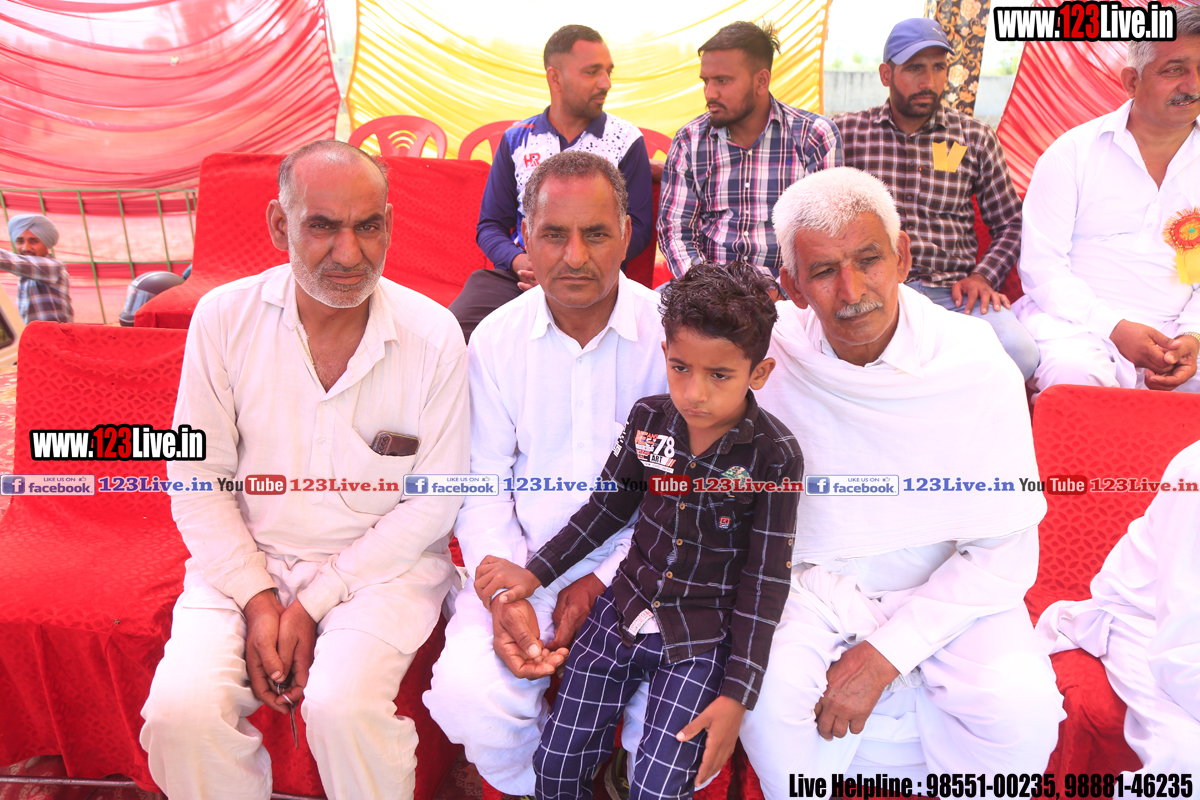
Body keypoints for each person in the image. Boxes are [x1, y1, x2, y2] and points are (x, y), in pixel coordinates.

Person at [140, 140, 468, 800]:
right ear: (278, 224)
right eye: (322, 226)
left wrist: (315, 601)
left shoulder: (433, 334)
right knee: (182, 714)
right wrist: (258, 596)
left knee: (344, 708)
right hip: (247, 556)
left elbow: (434, 503)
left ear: (389, 224)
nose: (349, 253)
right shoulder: (223, 318)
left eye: (368, 226)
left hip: (383, 571)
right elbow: (197, 479)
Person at [741, 167, 1063, 784]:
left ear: (903, 257)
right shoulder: (766, 353)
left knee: (1022, 714)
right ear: (792, 286)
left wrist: (888, 653)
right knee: (768, 701)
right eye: (824, 271)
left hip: (950, 590)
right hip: (811, 588)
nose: (853, 290)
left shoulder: (973, 360)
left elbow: (1004, 551)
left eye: (869, 260)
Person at [475, 262, 801, 800]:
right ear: (665, 353)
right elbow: (607, 509)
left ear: (758, 373)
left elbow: (766, 577)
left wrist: (738, 693)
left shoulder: (774, 455)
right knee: (555, 765)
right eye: (680, 367)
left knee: (660, 786)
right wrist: (535, 574)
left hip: (700, 636)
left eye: (719, 375)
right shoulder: (650, 421)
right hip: (619, 610)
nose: (695, 392)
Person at [425, 150, 667, 798]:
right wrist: (507, 592)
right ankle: (542, 785)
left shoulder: (669, 337)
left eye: (596, 234)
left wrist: (602, 580)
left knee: (669, 719)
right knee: (467, 696)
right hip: (524, 566)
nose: (575, 257)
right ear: (526, 240)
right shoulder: (495, 339)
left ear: (627, 234)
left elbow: (676, 494)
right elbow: (481, 483)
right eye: (555, 234)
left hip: (646, 570)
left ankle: (619, 775)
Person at [833, 18, 1037, 380]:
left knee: (1019, 353)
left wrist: (983, 276)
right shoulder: (847, 134)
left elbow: (1010, 223)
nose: (928, 81)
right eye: (915, 68)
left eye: (938, 68)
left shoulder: (974, 138)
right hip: (875, 292)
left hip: (952, 295)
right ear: (886, 74)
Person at [1015, 5, 1200, 394]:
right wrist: (1114, 328)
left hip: (1180, 333)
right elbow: (1042, 268)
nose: (1193, 84)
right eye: (1174, 70)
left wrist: (1191, 335)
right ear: (1132, 81)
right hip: (1079, 328)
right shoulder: (1072, 154)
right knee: (1076, 373)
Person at [448, 24, 654, 342]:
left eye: (608, 71)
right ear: (555, 78)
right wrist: (523, 261)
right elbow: (490, 225)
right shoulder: (517, 139)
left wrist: (573, 265)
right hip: (521, 276)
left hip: (596, 276)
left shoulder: (625, 139)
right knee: (452, 333)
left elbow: (637, 227)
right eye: (592, 72)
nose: (606, 83)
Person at [1037, 440, 1200, 773]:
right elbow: (1180, 649)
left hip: (1180, 631)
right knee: (1186, 760)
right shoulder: (1195, 472)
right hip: (1149, 625)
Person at [657, 21, 842, 280]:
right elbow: (675, 231)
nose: (709, 93)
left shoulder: (814, 136)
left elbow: (827, 234)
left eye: (722, 81)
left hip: (791, 293)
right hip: (707, 290)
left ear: (761, 81)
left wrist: (784, 291)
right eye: (706, 81)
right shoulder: (690, 140)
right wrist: (706, 289)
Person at [1, 213, 74, 323]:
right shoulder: (25, 275)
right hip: (34, 334)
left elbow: (11, 261)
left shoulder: (54, 267)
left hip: (55, 334)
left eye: (34, 241)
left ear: (46, 243)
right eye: (20, 241)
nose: (26, 248)